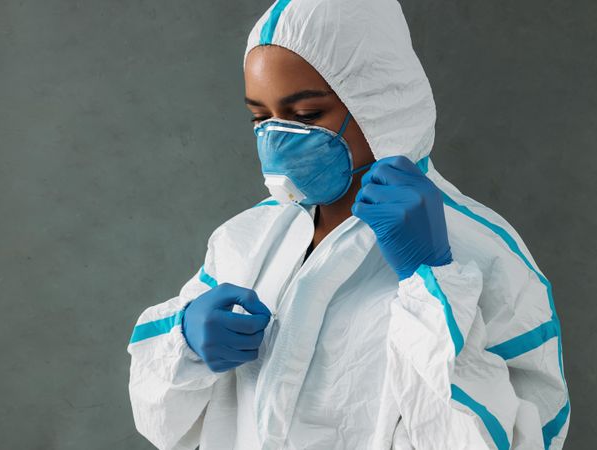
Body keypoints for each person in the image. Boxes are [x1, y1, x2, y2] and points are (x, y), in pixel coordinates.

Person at [126, 0, 570, 448]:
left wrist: (432, 286)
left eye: (306, 116)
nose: (276, 138)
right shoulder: (245, 241)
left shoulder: (483, 252)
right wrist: (186, 345)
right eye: (261, 117)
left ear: (380, 103)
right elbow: (162, 419)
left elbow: (513, 436)